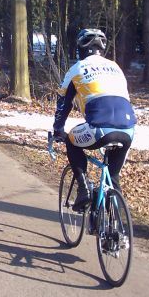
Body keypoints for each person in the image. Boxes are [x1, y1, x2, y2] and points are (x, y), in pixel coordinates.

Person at [52, 28, 136, 212]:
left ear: (80, 49)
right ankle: (116, 225)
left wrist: (58, 129)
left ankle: (83, 189)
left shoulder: (77, 69)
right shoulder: (115, 67)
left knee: (71, 141)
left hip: (99, 128)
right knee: (113, 176)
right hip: (128, 130)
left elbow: (63, 103)